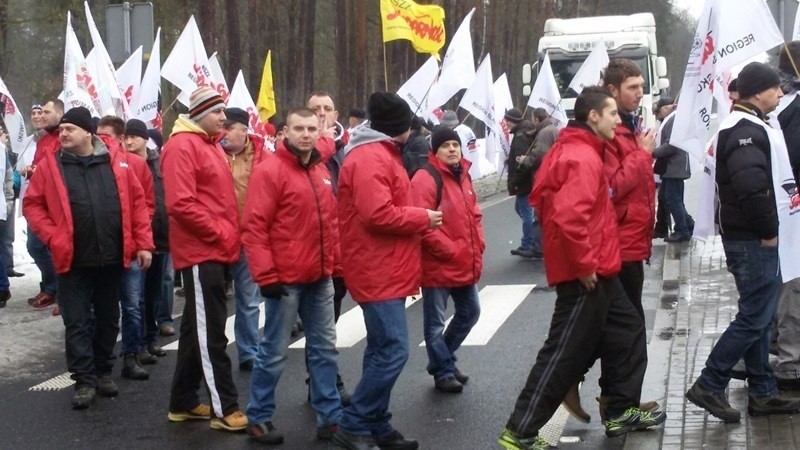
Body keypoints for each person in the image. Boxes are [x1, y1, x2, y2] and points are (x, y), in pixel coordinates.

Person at [498, 87, 663, 450]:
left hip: (602, 268)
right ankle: (519, 431)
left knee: (626, 330)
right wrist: (585, 265)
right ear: (593, 116)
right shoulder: (581, 157)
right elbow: (570, 218)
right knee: (561, 354)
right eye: (612, 114)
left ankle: (619, 408)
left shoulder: (583, 151)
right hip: (587, 274)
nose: (618, 121)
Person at [685, 62, 800, 422]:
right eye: (774, 88)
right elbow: (751, 187)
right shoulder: (746, 130)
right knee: (754, 317)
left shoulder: (748, 125)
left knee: (761, 315)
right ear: (756, 93)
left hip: (750, 238)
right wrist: (769, 231)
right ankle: (710, 380)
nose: (780, 93)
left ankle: (763, 391)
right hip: (753, 240)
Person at [23, 106, 153, 409]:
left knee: (109, 319)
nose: (63, 134)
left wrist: (143, 243)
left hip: (111, 257)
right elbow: (32, 205)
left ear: (87, 133)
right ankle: (84, 380)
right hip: (73, 260)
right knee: (78, 321)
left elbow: (137, 204)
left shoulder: (117, 162)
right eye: (63, 129)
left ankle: (104, 371)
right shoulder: (51, 165)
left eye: (69, 129)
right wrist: (54, 236)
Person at [332, 92, 441, 450]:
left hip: (383, 265)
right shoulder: (370, 158)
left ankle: (377, 424)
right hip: (375, 266)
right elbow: (377, 214)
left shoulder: (379, 153)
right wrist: (422, 218)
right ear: (402, 127)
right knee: (393, 350)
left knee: (381, 349)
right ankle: (355, 423)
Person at [242, 107, 342, 445]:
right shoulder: (270, 171)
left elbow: (330, 222)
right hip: (285, 279)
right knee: (274, 350)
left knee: (325, 349)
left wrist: (336, 265)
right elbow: (254, 227)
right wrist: (266, 275)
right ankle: (258, 417)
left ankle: (330, 417)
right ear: (284, 132)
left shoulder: (320, 169)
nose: (306, 134)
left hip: (320, 276)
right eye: (299, 128)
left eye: (312, 128)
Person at [162, 87, 247, 432]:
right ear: (199, 114)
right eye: (217, 112)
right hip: (201, 252)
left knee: (195, 330)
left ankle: (182, 401)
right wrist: (221, 233)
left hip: (214, 249)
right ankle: (224, 407)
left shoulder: (208, 146)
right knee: (212, 333)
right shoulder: (183, 147)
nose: (224, 118)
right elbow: (181, 204)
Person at [411, 127, 484, 394]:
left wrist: (479, 243)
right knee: (434, 323)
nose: (452, 149)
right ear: (435, 150)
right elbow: (421, 222)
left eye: (455, 144)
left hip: (464, 259)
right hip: (438, 264)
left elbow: (474, 214)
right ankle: (442, 370)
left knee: (470, 312)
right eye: (446, 146)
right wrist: (451, 250)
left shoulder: (463, 175)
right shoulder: (425, 178)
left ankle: (443, 359)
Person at [307, 90, 351, 404]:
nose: (323, 114)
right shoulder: (301, 152)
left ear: (336, 115)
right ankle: (325, 383)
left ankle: (320, 380)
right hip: (310, 254)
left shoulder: (347, 151)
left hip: (342, 254)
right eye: (316, 109)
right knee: (318, 327)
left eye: (328, 109)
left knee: (329, 321)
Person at [219, 107, 269, 372]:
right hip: (216, 237)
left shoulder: (262, 158)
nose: (223, 133)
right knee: (214, 300)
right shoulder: (212, 153)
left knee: (248, 299)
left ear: (243, 130)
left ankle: (249, 352)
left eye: (229, 127)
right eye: (221, 127)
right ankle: (214, 352)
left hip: (250, 237)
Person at [124, 120, 169, 361]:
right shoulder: (125, 164)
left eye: (134, 136)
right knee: (136, 297)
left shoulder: (159, 162)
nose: (129, 141)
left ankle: (151, 338)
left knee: (154, 293)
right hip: (139, 241)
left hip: (161, 237)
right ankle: (137, 344)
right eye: (126, 137)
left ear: (144, 139)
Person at [116, 119, 157, 380]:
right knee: (105, 309)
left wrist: (142, 240)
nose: (128, 142)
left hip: (136, 246)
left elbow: (146, 204)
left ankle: (135, 350)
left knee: (136, 302)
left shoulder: (139, 165)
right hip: (105, 249)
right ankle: (98, 365)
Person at [773, 41, 800, 390]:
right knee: (791, 287)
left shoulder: (774, 111)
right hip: (789, 212)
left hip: (778, 212)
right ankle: (790, 365)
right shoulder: (787, 111)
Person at [21, 99, 63, 311]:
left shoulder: (61, 138)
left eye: (46, 112)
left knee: (40, 246)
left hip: (51, 204)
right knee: (36, 246)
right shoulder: (43, 139)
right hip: (38, 201)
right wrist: (32, 169)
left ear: (59, 112)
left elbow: (56, 168)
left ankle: (54, 289)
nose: (41, 116)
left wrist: (37, 171)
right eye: (38, 113)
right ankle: (50, 286)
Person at [652, 97, 694, 243]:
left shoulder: (674, 120)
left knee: (673, 199)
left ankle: (682, 230)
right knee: (669, 197)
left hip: (674, 167)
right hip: (672, 167)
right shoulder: (672, 119)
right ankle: (687, 224)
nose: (658, 115)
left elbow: (672, 145)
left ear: (666, 108)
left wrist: (653, 152)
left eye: (659, 111)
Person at [504, 108, 540, 259]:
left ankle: (529, 244)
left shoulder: (520, 136)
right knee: (521, 209)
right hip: (528, 181)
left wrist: (514, 182)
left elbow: (522, 163)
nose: (506, 123)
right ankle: (532, 241)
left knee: (526, 214)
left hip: (524, 183)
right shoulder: (526, 131)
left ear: (512, 121)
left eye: (507, 120)